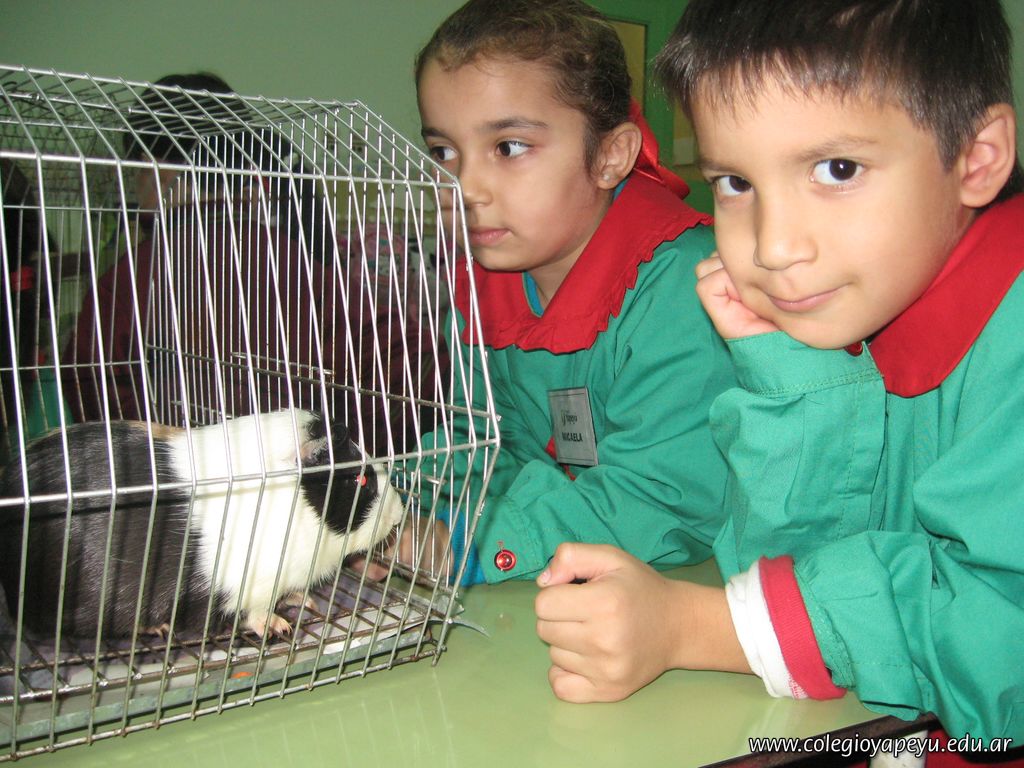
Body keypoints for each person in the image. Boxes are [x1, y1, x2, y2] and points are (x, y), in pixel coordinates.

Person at [534, 0, 1024, 759]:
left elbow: (1000, 644)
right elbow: (786, 567)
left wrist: (699, 628)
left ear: (977, 158)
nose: (772, 245)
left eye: (837, 170)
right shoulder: (866, 301)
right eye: (735, 181)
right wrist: (796, 379)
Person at [396, 0, 734, 585]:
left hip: (695, 584)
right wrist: (390, 511)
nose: (465, 187)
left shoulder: (690, 289)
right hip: (562, 565)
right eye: (444, 152)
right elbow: (481, 442)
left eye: (508, 147)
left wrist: (472, 543)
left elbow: (663, 497)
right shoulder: (484, 283)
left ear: (610, 156)